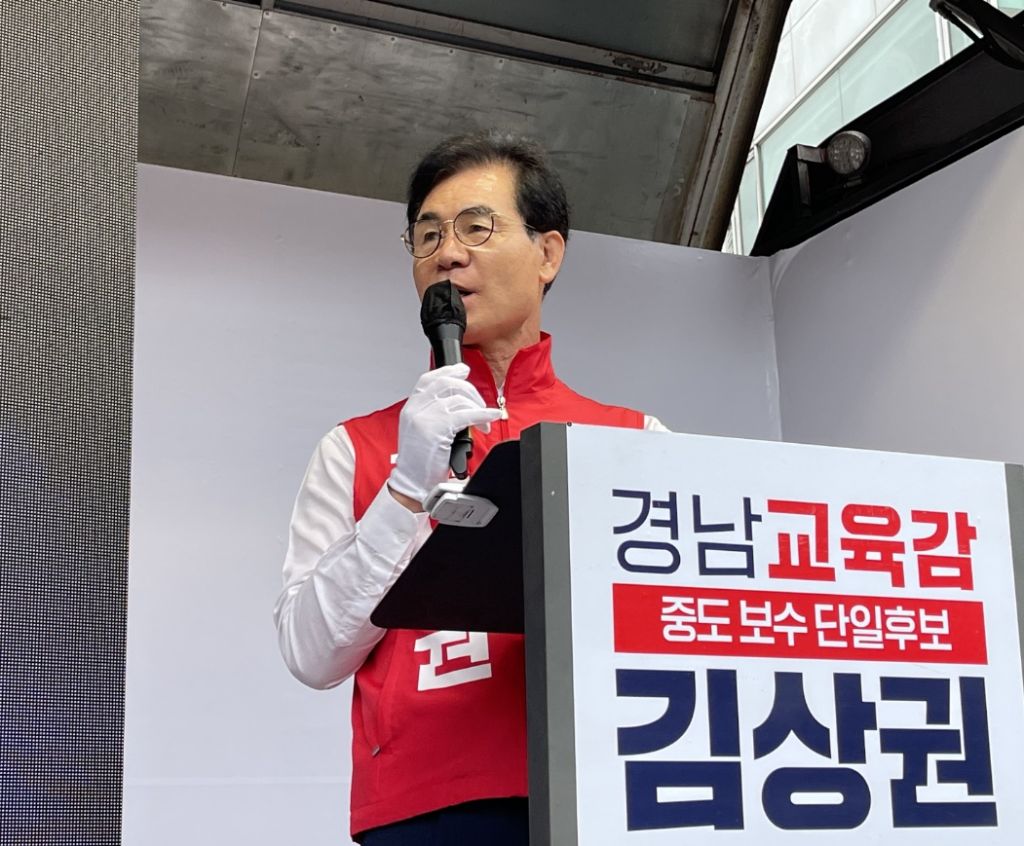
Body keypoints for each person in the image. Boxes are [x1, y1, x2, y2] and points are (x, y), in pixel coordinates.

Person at [274, 130, 667, 845]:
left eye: (476, 228)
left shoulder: (635, 439)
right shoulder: (355, 447)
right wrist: (405, 488)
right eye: (427, 236)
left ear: (548, 254)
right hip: (426, 811)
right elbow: (311, 653)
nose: (447, 255)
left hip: (610, 794)